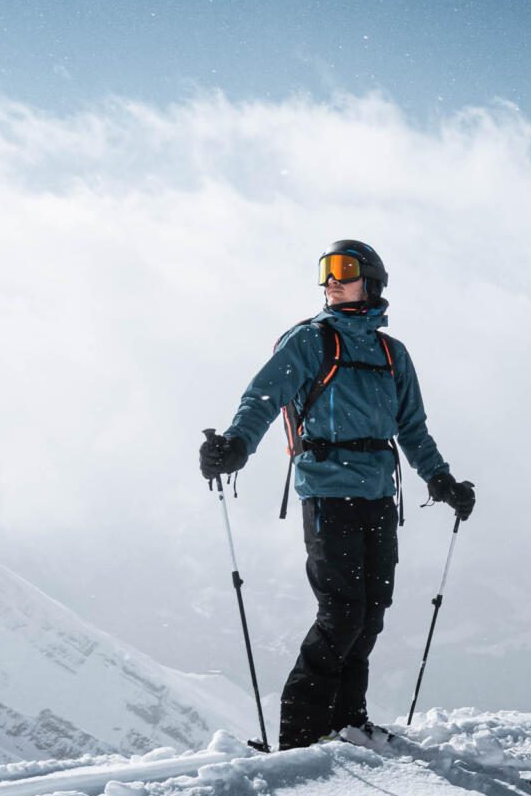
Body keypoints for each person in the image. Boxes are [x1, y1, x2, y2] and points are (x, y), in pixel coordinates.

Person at [198, 240, 476, 749]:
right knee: (342, 612)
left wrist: (441, 480)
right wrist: (237, 445)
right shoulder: (310, 341)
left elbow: (412, 428)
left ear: (370, 281)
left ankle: (348, 723)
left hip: (377, 494)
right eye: (326, 273)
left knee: (371, 611)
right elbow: (263, 397)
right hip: (327, 493)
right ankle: (299, 739)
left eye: (343, 272)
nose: (331, 281)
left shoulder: (393, 354)